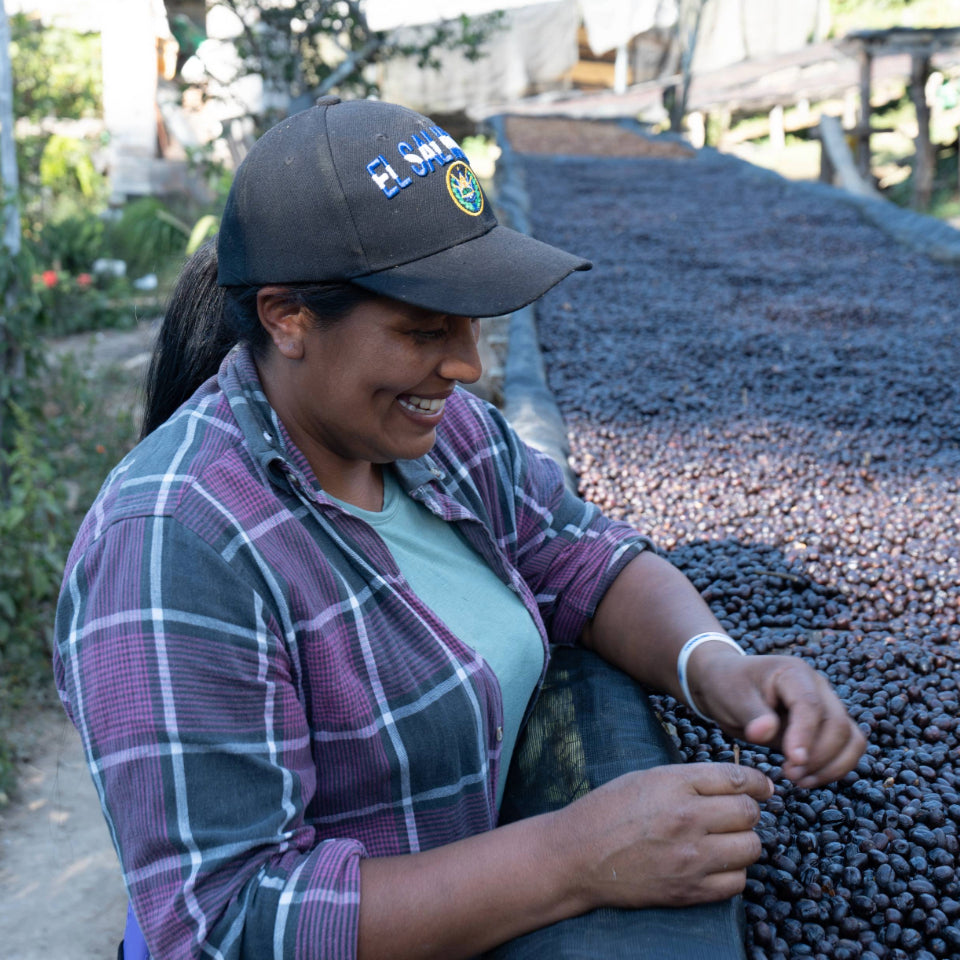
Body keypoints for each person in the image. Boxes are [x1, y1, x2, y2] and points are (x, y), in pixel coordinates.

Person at [53, 97, 865, 960]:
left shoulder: (438, 438)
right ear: (288, 317)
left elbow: (581, 558)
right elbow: (234, 923)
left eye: (473, 321)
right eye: (422, 329)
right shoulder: (175, 547)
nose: (468, 364)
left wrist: (717, 666)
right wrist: (575, 856)